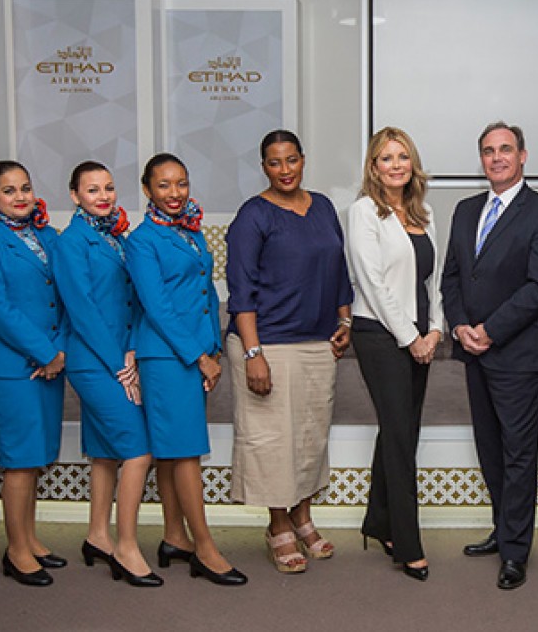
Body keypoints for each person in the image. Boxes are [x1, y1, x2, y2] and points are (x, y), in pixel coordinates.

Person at [440, 121, 538, 590]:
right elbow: (453, 277)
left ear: (523, 156)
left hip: (517, 353)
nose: (497, 158)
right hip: (473, 350)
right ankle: (503, 529)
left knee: (518, 454)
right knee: (490, 449)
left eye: (506, 150)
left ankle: (516, 552)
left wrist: (490, 331)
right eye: (489, 151)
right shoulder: (465, 209)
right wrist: (458, 326)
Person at [226, 131, 353, 574]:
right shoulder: (253, 216)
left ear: (303, 160)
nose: (285, 170)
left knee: (309, 437)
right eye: (275, 162)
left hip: (318, 341)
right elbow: (240, 292)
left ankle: (303, 516)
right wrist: (252, 352)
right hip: (269, 342)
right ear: (264, 166)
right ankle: (278, 525)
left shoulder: (321, 207)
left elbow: (338, 271)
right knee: (274, 442)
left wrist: (345, 321)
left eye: (292, 160)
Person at [126, 153, 244, 586]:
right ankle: (206, 549)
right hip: (167, 356)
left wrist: (211, 346)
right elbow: (157, 308)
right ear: (147, 189)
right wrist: (200, 356)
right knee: (187, 452)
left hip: (195, 351)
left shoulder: (191, 232)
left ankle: (175, 536)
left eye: (181, 184)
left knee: (173, 451)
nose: (174, 194)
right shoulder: (142, 241)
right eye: (163, 185)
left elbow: (204, 293)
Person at [51, 162, 160, 587]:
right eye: (92, 189)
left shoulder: (115, 237)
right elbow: (82, 311)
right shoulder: (71, 243)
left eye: (109, 188)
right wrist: (120, 366)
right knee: (139, 450)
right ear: (74, 195)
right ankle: (127, 548)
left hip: (119, 354)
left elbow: (132, 302)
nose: (103, 195)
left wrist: (132, 347)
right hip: (93, 360)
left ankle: (98, 535)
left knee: (103, 452)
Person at [0, 161, 68, 586]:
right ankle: (16, 550)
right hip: (10, 367)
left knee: (38, 456)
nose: (20, 196)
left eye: (25, 187)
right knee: (19, 462)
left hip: (50, 364)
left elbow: (64, 297)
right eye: (9, 190)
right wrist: (44, 350)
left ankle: (30, 537)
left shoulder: (49, 237)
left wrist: (58, 350)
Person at [346, 127, 444, 581]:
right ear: (374, 166)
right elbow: (373, 284)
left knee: (399, 429)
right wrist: (411, 338)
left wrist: (436, 328)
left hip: (420, 335)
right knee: (402, 438)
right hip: (380, 335)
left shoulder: (423, 212)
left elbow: (434, 280)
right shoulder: (365, 211)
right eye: (386, 158)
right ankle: (408, 544)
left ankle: (379, 520)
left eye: (403, 156)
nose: (396, 165)